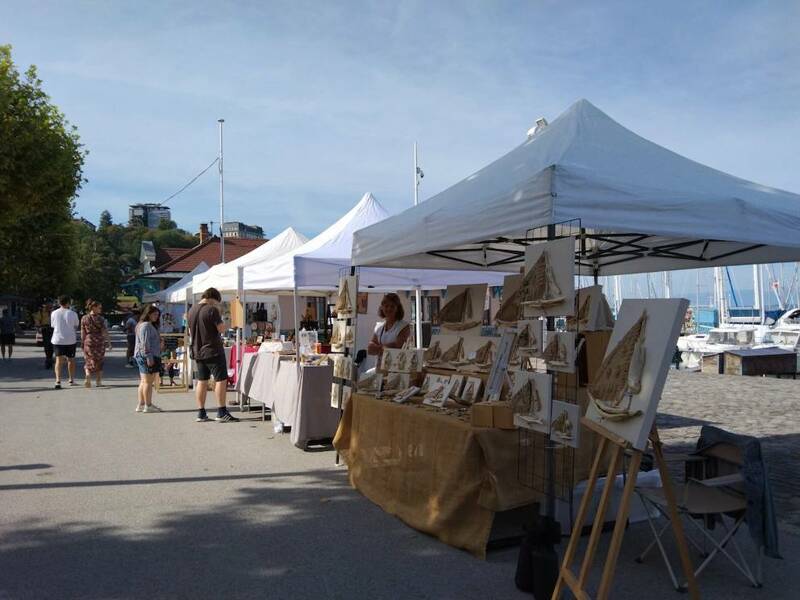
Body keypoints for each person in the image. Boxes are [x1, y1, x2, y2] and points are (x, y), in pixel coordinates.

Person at [187, 287, 238, 423]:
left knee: (202, 381)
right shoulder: (211, 310)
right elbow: (220, 328)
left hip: (197, 350)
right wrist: (229, 323)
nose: (216, 304)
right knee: (221, 380)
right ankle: (221, 411)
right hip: (213, 350)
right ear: (212, 298)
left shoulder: (191, 310)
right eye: (216, 301)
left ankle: (201, 412)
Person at [133, 304, 163, 413]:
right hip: (147, 356)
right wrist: (149, 357)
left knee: (144, 381)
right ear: (148, 314)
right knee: (148, 382)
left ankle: (142, 404)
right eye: (154, 314)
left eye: (157, 315)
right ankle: (147, 405)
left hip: (144, 355)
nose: (156, 317)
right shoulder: (146, 326)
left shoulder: (144, 325)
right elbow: (145, 343)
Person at [367, 293, 411, 359]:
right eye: (386, 306)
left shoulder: (403, 326)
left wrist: (378, 348)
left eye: (392, 306)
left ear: (397, 308)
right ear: (382, 307)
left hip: (396, 367)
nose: (389, 309)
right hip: (380, 366)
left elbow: (398, 347)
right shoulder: (379, 327)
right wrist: (386, 347)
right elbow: (370, 350)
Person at [51, 296, 80, 388]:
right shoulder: (73, 313)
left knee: (58, 360)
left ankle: (58, 381)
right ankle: (71, 380)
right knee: (70, 360)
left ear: (59, 303)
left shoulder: (54, 313)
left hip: (57, 339)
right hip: (70, 340)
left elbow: (53, 325)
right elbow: (76, 326)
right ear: (68, 303)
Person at [80, 299, 110, 388]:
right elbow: (104, 331)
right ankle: (98, 381)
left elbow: (83, 332)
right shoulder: (100, 319)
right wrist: (109, 342)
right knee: (99, 361)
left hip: (88, 341)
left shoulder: (84, 318)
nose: (100, 309)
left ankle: (88, 374)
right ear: (93, 307)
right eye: (99, 307)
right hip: (99, 341)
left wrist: (82, 342)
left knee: (88, 360)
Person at [34, 303, 55, 368]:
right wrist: (38, 326)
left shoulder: (54, 312)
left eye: (50, 306)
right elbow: (37, 319)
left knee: (52, 345)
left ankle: (50, 358)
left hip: (53, 329)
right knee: (46, 344)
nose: (49, 307)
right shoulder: (41, 312)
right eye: (48, 306)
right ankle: (48, 359)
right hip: (45, 329)